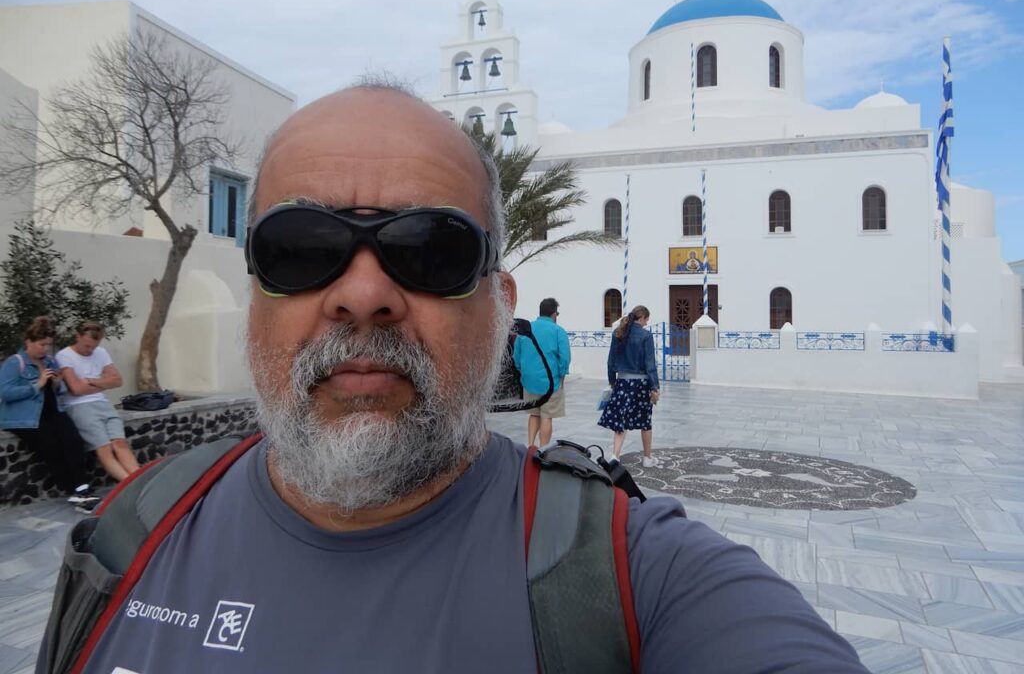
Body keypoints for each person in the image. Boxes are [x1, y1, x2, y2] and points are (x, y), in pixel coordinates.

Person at [70, 82, 868, 673]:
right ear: (254, 295)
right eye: (302, 248)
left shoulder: (632, 579)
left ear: (501, 308)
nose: (363, 294)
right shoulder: (128, 534)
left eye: (431, 251)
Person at [0, 316, 98, 509]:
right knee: (52, 448)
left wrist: (56, 384)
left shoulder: (51, 361)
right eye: (41, 344)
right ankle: (74, 490)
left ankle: (82, 489)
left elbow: (58, 392)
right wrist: (37, 385)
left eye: (48, 345)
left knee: (74, 442)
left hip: (53, 411)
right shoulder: (15, 363)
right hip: (27, 418)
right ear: (29, 341)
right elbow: (5, 392)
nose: (45, 349)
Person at [56, 321, 139, 482]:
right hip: (79, 406)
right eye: (87, 346)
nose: (90, 351)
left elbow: (117, 380)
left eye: (93, 347)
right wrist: (103, 383)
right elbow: (76, 389)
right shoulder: (64, 356)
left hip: (102, 404)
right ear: (78, 336)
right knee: (104, 448)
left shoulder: (100, 352)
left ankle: (139, 478)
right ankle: (129, 483)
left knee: (120, 443)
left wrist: (91, 381)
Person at [599, 306, 660, 466]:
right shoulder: (646, 336)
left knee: (621, 419)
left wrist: (612, 382)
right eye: (646, 320)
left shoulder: (618, 333)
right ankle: (647, 458)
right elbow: (650, 364)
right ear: (643, 318)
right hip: (641, 384)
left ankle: (615, 456)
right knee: (646, 421)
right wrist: (655, 387)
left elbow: (611, 362)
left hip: (622, 382)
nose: (646, 324)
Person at [513, 297, 570, 447]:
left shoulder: (525, 330)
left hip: (529, 380)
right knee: (547, 417)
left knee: (533, 413)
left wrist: (523, 371)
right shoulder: (558, 331)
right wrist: (562, 376)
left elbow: (516, 356)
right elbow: (565, 358)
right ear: (554, 314)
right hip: (551, 381)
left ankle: (531, 445)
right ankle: (543, 449)